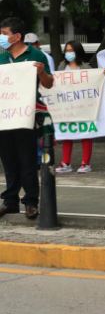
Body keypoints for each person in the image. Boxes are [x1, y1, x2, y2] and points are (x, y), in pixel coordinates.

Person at [0, 17, 54, 220]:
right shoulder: (1, 58)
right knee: (8, 160)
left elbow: (49, 84)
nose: (2, 38)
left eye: (4, 34)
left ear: (17, 36)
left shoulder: (35, 55)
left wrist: (41, 73)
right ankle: (10, 200)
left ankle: (31, 202)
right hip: (4, 117)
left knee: (28, 160)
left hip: (26, 116)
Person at [55, 41, 94, 173]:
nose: (68, 53)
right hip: (67, 106)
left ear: (77, 51)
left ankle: (86, 163)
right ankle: (65, 163)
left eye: (71, 50)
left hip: (83, 106)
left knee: (86, 132)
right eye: (67, 50)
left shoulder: (86, 67)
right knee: (67, 133)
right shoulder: (61, 66)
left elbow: (94, 83)